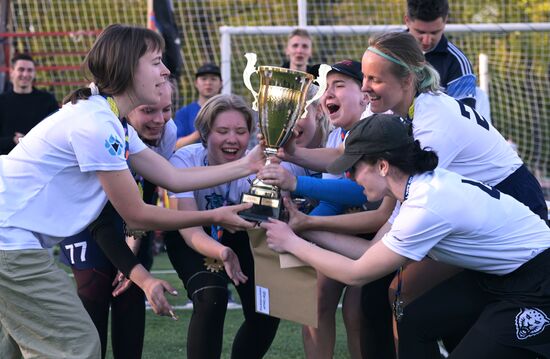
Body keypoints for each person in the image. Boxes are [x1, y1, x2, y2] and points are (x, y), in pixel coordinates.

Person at [0, 24, 262, 358]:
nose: (166, 70)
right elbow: (135, 213)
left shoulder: (110, 118)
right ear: (128, 67)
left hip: (12, 239)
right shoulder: (97, 124)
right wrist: (215, 214)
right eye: (156, 61)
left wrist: (248, 164)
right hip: (9, 241)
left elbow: (170, 176)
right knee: (77, 346)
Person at [262, 113, 550, 359]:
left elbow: (356, 273)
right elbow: (369, 253)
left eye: (353, 168)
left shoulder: (425, 206)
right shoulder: (414, 190)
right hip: (498, 276)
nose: (348, 177)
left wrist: (292, 242)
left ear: (383, 165)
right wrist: (304, 225)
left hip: (538, 285)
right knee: (414, 319)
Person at [260, 60, 393, 359]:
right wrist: (300, 228)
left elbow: (359, 190)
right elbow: (335, 200)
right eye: (326, 88)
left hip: (388, 230)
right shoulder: (338, 135)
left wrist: (295, 186)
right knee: (316, 301)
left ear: (365, 95)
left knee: (359, 310)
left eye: (339, 85)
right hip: (352, 226)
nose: (327, 94)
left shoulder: (379, 125)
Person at [58, 81, 176, 359]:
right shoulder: (102, 129)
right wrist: (129, 263)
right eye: (149, 110)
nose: (159, 120)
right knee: (95, 289)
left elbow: (143, 195)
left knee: (130, 292)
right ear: (127, 108)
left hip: (129, 215)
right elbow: (99, 220)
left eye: (167, 109)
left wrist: (131, 255)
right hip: (84, 216)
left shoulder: (166, 131)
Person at [165, 94, 281, 359]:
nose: (233, 139)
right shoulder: (184, 160)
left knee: (267, 308)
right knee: (211, 298)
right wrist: (223, 252)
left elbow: (263, 224)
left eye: (241, 131)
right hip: (194, 234)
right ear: (205, 134)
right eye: (222, 131)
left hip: (240, 234)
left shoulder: (258, 169)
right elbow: (189, 229)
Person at [405, 0, 477, 108]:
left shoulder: (457, 63)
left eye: (434, 32)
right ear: (407, 20)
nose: (426, 41)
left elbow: (464, 120)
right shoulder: (387, 51)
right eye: (420, 32)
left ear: (445, 21)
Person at [0, 53, 58, 154]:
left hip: (39, 160)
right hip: (7, 161)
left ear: (34, 73)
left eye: (30, 70)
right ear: (12, 72)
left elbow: (56, 134)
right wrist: (12, 140)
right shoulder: (2, 101)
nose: (25, 74)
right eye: (21, 69)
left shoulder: (47, 100)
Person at [174, 62, 222, 149]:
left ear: (221, 83)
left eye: (213, 79)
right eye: (204, 79)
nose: (208, 83)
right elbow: (176, 145)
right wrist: (202, 132)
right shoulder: (184, 113)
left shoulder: (228, 112)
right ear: (196, 83)